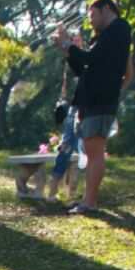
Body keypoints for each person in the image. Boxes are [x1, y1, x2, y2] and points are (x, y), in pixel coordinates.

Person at [54, 0, 133, 215]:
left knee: (95, 152)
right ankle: (88, 200)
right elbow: (84, 69)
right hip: (90, 99)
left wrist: (70, 46)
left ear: (106, 9)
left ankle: (90, 202)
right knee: (90, 151)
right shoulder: (103, 37)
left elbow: (90, 60)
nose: (90, 21)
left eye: (92, 15)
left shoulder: (118, 30)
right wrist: (68, 50)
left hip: (101, 99)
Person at [46, 64, 83, 202]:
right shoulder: (73, 64)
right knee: (66, 151)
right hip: (75, 112)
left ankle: (72, 193)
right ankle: (53, 191)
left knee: (77, 155)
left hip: (84, 112)